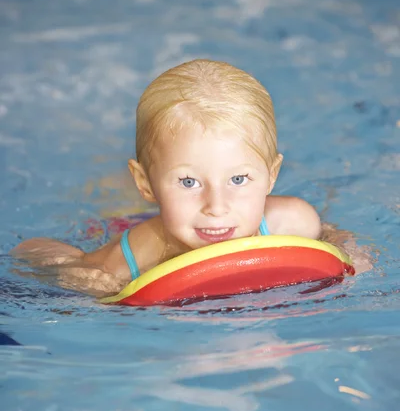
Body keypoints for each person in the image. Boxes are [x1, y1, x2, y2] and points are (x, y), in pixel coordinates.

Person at [11, 59, 364, 298]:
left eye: (239, 180)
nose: (216, 207)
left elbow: (332, 238)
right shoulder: (137, 253)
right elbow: (29, 251)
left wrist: (350, 253)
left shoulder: (292, 221)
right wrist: (84, 281)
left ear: (272, 176)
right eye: (189, 182)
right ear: (145, 183)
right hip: (132, 226)